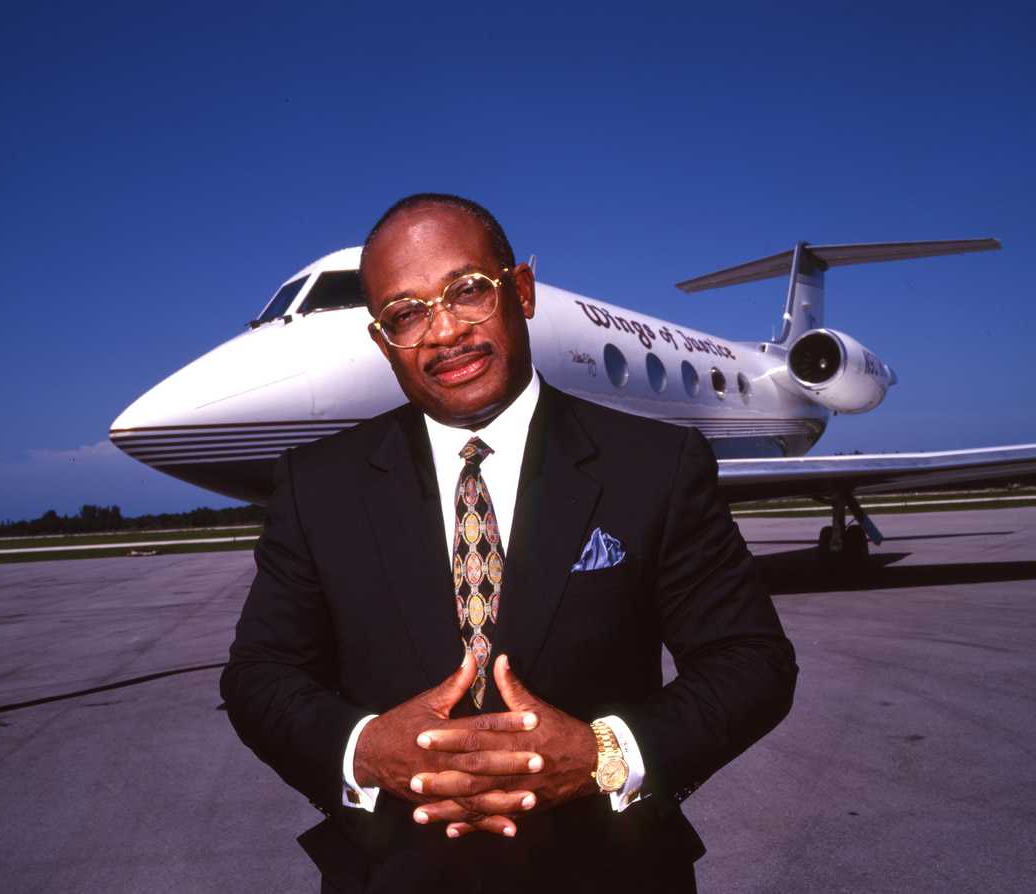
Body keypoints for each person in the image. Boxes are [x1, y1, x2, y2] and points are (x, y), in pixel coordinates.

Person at [220, 193, 798, 894]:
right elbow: (259, 675)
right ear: (382, 339)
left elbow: (751, 660)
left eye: (467, 292)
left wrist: (603, 755)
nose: (444, 332)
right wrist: (363, 750)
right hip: (392, 875)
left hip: (609, 874)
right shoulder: (317, 486)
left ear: (520, 291)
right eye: (405, 314)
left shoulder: (656, 466)